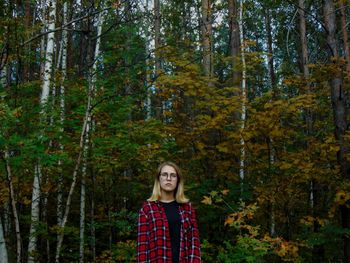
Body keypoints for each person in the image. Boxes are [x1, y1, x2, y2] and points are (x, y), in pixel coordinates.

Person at [137, 161, 201, 263]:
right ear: (159, 179)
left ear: (178, 181)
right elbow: (142, 247)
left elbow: (194, 243)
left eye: (173, 175)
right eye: (164, 174)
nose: (168, 178)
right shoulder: (147, 209)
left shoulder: (187, 208)